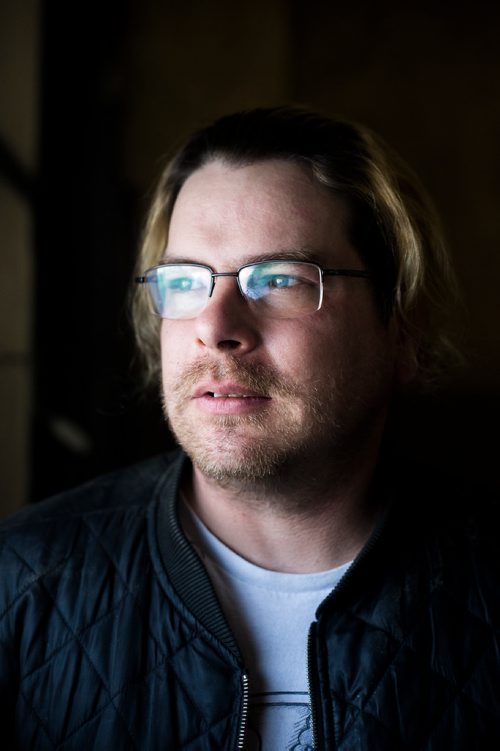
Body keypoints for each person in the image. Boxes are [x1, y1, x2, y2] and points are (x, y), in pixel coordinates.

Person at [1, 106, 498, 750]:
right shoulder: (19, 582)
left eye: (280, 279)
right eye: (185, 281)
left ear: (399, 326)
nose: (215, 325)